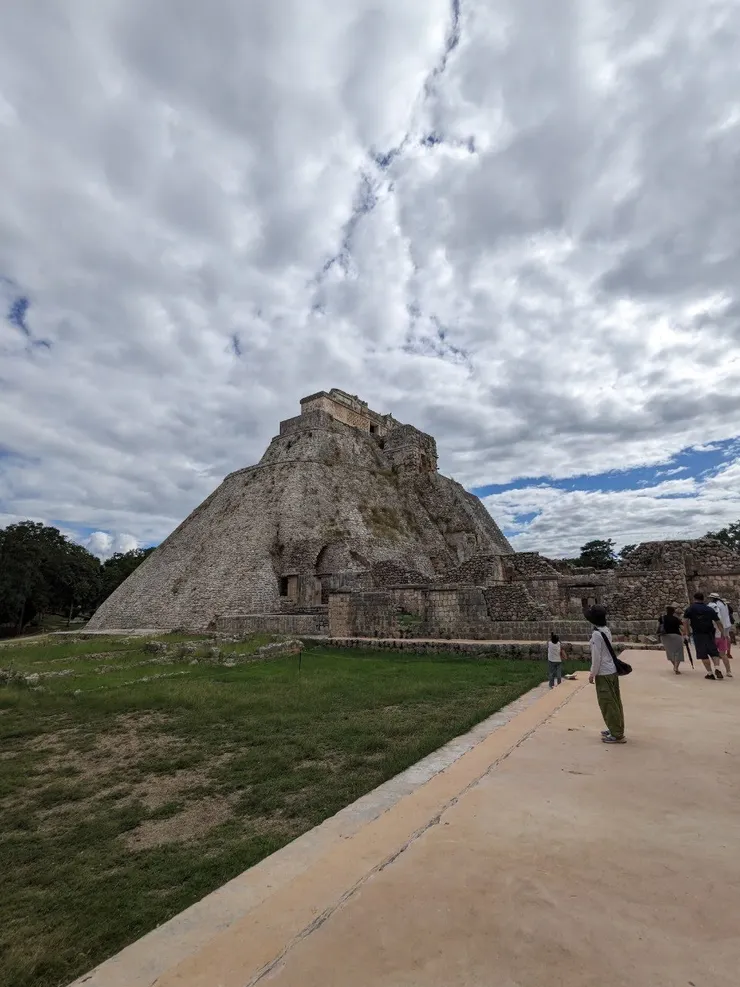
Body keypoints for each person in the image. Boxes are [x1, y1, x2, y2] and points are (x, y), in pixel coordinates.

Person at [587, 605, 626, 744]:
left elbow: (596, 657)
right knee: (615, 702)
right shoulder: (606, 630)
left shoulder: (597, 634)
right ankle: (615, 728)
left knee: (607, 703)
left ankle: (617, 734)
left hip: (603, 673)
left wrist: (592, 673)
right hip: (612, 671)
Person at [683, 592, 724, 680]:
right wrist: (723, 633)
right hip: (709, 633)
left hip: (698, 634)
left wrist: (686, 633)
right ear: (703, 599)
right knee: (713, 651)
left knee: (703, 654)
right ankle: (717, 668)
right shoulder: (709, 609)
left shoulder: (690, 609)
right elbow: (718, 622)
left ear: (694, 599)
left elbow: (685, 621)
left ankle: (710, 673)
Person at [708, 592, 733, 677]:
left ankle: (717, 669)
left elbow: (717, 618)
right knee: (723, 654)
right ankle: (728, 671)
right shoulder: (724, 604)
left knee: (715, 654)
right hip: (725, 631)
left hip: (716, 632)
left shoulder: (713, 605)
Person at [658, 603, 685, 674]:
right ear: (673, 612)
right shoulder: (676, 619)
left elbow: (659, 627)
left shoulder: (662, 618)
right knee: (678, 652)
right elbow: (683, 629)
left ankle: (675, 666)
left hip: (664, 636)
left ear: (666, 611)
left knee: (670, 652)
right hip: (676, 636)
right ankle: (676, 667)